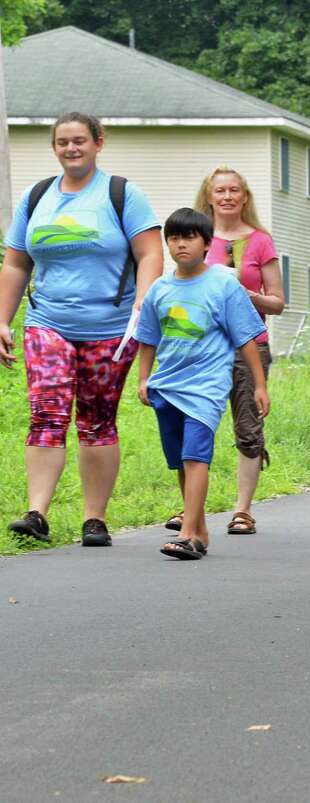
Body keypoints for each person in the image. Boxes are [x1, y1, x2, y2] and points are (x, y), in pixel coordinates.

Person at [1, 112, 162, 546]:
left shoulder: (122, 194)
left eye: (79, 141)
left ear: (98, 143)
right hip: (48, 322)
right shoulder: (37, 197)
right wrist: (2, 318)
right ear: (54, 147)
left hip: (111, 327)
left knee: (96, 421)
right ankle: (36, 512)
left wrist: (144, 300)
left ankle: (95, 520)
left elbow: (150, 253)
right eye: (62, 142)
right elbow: (16, 261)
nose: (71, 149)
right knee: (47, 412)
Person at [135, 208, 269, 560]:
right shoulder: (160, 290)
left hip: (206, 387)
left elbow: (246, 337)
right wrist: (144, 378)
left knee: (196, 457)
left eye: (190, 237)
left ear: (207, 243)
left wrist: (258, 385)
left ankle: (187, 532)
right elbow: (147, 337)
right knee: (181, 460)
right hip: (168, 386)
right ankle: (200, 531)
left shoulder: (223, 284)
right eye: (175, 238)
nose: (181, 244)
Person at [180, 166, 286, 535]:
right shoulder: (195, 238)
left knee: (247, 426)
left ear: (244, 197)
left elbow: (277, 302)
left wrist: (248, 296)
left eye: (234, 190)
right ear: (208, 196)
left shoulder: (259, 241)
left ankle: (242, 510)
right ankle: (191, 509)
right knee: (195, 424)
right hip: (201, 346)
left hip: (249, 347)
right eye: (220, 190)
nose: (226, 196)